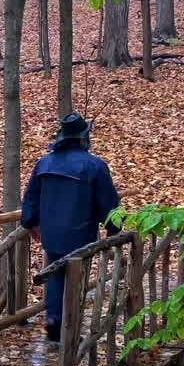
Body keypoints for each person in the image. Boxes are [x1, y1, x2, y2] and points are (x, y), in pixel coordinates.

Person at [20, 113, 120, 342]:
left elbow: (30, 197)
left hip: (52, 233)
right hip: (81, 233)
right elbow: (108, 202)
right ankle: (70, 325)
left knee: (56, 275)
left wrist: (30, 222)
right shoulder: (94, 165)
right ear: (84, 137)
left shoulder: (44, 163)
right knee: (77, 277)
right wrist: (114, 230)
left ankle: (55, 320)